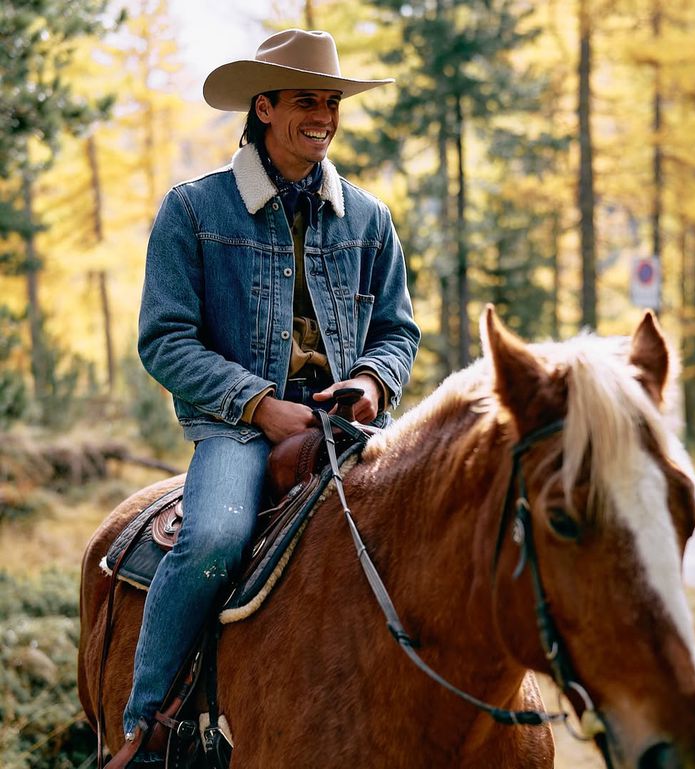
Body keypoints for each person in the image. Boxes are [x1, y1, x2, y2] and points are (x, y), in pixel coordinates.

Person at [110, 28, 419, 768]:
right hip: (238, 429)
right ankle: (146, 728)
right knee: (213, 537)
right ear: (265, 107)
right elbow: (165, 340)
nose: (324, 114)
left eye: (332, 101)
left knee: (440, 519)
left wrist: (373, 381)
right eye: (308, 100)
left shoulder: (370, 219)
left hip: (345, 424)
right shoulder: (194, 211)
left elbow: (397, 330)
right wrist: (257, 403)